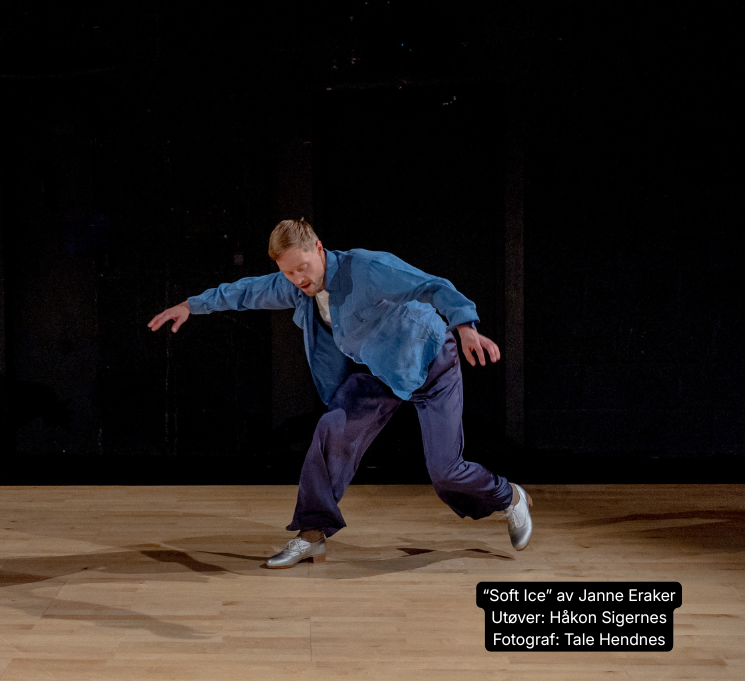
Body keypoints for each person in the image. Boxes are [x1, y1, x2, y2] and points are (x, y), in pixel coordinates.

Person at [148, 219, 531, 568]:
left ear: (318, 248)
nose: (298, 279)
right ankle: (311, 535)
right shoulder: (295, 286)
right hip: (382, 372)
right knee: (332, 431)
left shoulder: (365, 267)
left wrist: (465, 327)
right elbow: (247, 291)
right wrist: (190, 306)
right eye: (288, 272)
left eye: (303, 268)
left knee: (445, 471)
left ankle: (510, 497)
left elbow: (432, 285)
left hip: (431, 361)